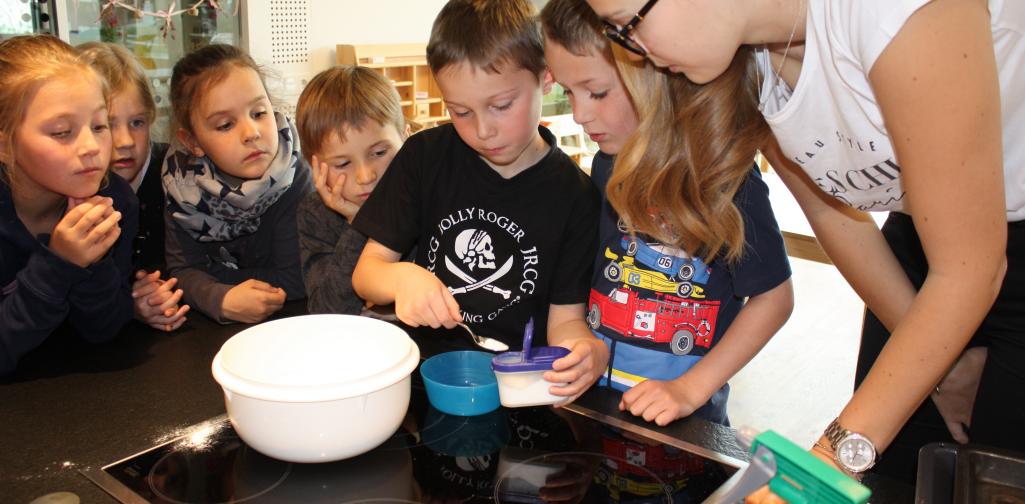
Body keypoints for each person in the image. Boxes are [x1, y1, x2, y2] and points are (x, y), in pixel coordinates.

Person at [585, 0, 1023, 485]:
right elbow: (832, 211)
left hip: (994, 252)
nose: (633, 52)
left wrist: (827, 463)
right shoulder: (741, 60)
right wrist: (945, 368)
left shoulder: (894, 11)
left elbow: (969, 269)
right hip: (916, 249)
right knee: (898, 476)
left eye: (627, 25)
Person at [541, 0, 793, 427]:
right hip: (597, 410)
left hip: (684, 424)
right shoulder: (606, 164)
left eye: (597, 92)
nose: (580, 114)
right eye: (569, 92)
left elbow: (775, 298)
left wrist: (690, 389)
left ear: (655, 74)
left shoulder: (726, 176)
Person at [352, 0, 606, 404]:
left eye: (501, 106)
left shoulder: (576, 196)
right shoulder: (425, 157)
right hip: (419, 381)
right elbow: (366, 274)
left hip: (515, 391)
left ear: (546, 78)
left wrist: (582, 351)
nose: (483, 130)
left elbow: (566, 321)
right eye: (460, 112)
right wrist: (401, 278)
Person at [0, 35, 137, 375]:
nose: (92, 146)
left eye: (98, 125)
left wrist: (94, 258)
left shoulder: (115, 201)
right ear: (4, 146)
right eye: (62, 132)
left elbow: (103, 330)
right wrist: (59, 264)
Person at [163, 44, 312, 324]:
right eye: (225, 125)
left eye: (258, 113)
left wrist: (207, 283)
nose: (251, 133)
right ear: (192, 142)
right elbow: (181, 269)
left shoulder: (295, 176)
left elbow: (295, 278)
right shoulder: (180, 185)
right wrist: (220, 298)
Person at [77, 42, 189, 332]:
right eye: (107, 125)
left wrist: (160, 292)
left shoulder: (180, 173)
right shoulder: (69, 191)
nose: (126, 141)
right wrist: (132, 302)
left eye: (137, 122)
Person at [295, 66, 412, 315]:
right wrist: (359, 224)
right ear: (314, 165)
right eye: (342, 164)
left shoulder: (426, 197)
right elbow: (326, 311)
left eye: (380, 153)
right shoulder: (316, 213)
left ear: (406, 138)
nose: (365, 176)